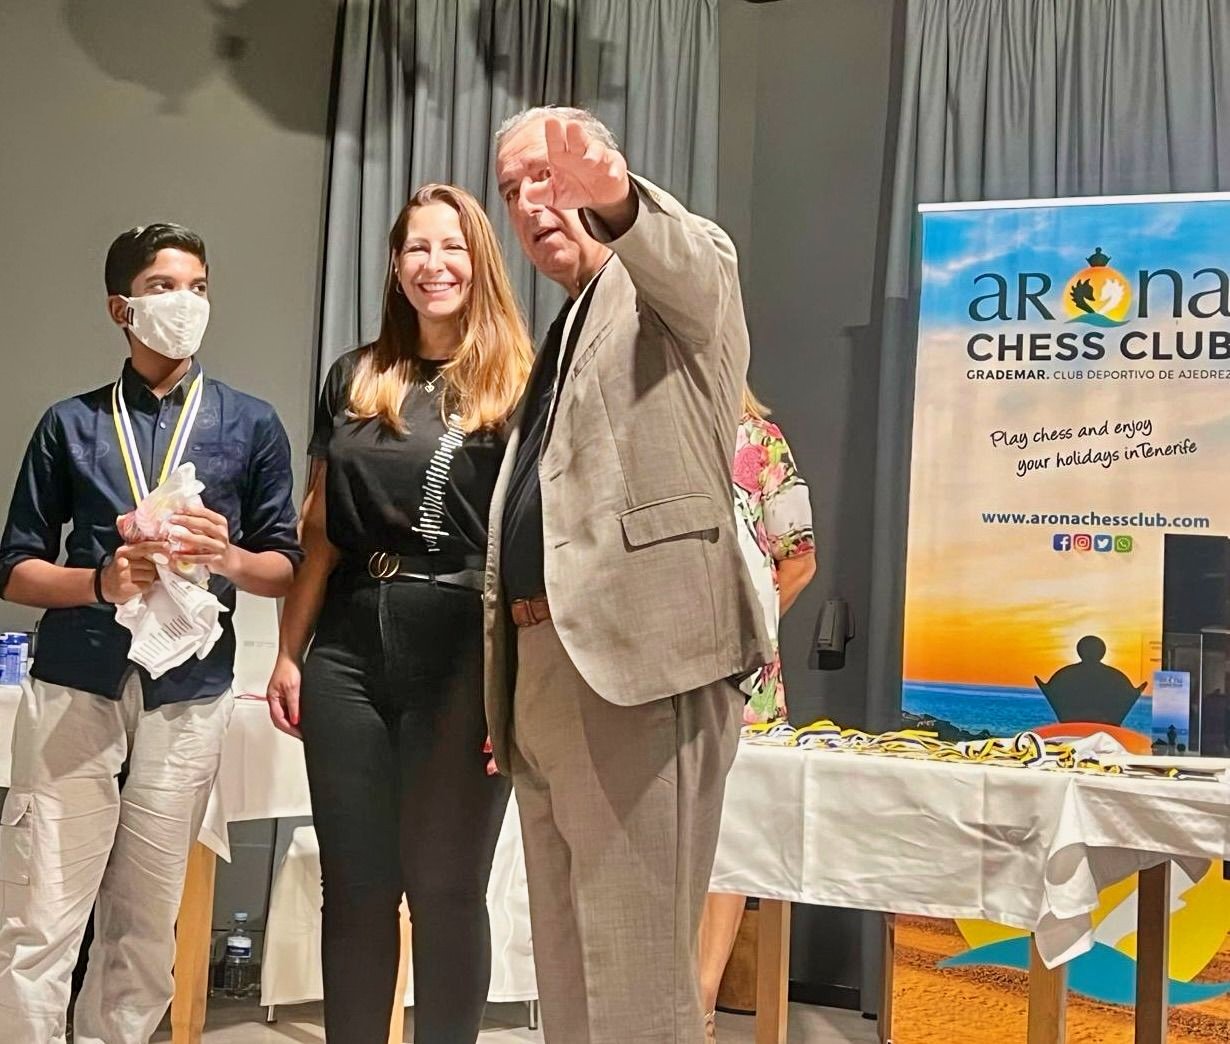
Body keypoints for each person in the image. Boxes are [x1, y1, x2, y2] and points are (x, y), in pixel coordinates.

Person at [487, 107, 771, 1044]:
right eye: (512, 190)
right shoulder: (564, 326)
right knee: (570, 971)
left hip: (641, 664)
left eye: (545, 177)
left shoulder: (671, 285)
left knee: (638, 983)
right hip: (545, 664)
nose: (531, 203)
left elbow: (687, 261)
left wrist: (615, 198)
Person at [0, 223, 301, 1044]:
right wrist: (99, 582)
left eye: (198, 287)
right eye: (164, 287)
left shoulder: (250, 424)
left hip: (189, 692)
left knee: (144, 921)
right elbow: (16, 568)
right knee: (40, 916)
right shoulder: (71, 425)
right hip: (77, 681)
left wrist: (226, 556)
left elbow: (284, 565)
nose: (186, 303)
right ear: (121, 309)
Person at [266, 184, 532, 1044]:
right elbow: (318, 529)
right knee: (354, 889)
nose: (434, 265)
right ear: (395, 263)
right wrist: (289, 651)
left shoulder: (520, 384)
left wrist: (517, 687)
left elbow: (538, 548)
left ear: (481, 261)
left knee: (446, 892)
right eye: (418, 247)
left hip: (463, 648)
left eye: (453, 247)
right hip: (347, 644)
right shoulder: (356, 375)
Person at [698, 388, 816, 1040]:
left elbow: (798, 561)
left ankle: (701, 1005)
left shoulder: (760, 442)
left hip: (744, 684)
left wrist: (739, 639)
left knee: (731, 839)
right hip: (652, 678)